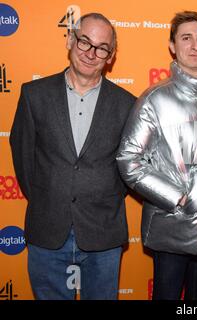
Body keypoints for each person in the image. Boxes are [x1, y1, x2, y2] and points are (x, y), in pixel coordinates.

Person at [116, 11, 197, 300]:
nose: (195, 46)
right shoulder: (154, 99)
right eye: (186, 38)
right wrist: (178, 198)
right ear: (172, 45)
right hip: (173, 228)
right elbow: (129, 161)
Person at [9, 13, 136, 300]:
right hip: (47, 229)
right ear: (70, 40)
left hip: (103, 231)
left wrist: (101, 193)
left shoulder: (128, 104)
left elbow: (132, 167)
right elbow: (23, 157)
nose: (91, 53)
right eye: (84, 42)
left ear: (111, 56)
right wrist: (50, 194)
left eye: (102, 48)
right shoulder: (34, 95)